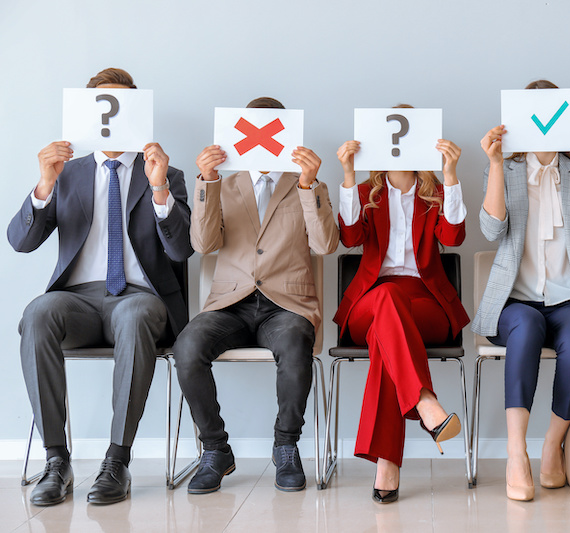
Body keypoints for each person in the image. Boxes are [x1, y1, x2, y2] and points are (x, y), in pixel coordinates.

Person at [8, 68, 192, 506]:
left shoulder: (165, 173)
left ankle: (117, 460)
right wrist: (44, 185)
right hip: (77, 302)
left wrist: (160, 187)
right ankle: (56, 461)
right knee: (36, 312)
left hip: (139, 298)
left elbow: (183, 250)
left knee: (134, 313)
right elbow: (20, 241)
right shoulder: (66, 174)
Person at [172, 97, 339, 494]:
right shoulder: (222, 183)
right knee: (187, 346)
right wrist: (206, 182)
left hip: (286, 305)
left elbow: (326, 245)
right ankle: (215, 448)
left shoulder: (306, 184)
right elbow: (204, 243)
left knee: (298, 346)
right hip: (231, 304)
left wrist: (308, 186)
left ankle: (286, 445)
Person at [472, 80, 570, 501]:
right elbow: (492, 229)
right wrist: (495, 163)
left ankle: (552, 444)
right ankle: (517, 453)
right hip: (516, 303)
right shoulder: (506, 169)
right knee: (528, 328)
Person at [334, 112, 470, 503]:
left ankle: (387, 464)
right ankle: (425, 402)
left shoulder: (437, 193)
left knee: (386, 343)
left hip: (426, 302)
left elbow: (454, 236)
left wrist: (451, 174)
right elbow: (349, 238)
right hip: (371, 299)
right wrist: (347, 173)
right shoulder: (364, 192)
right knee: (388, 301)